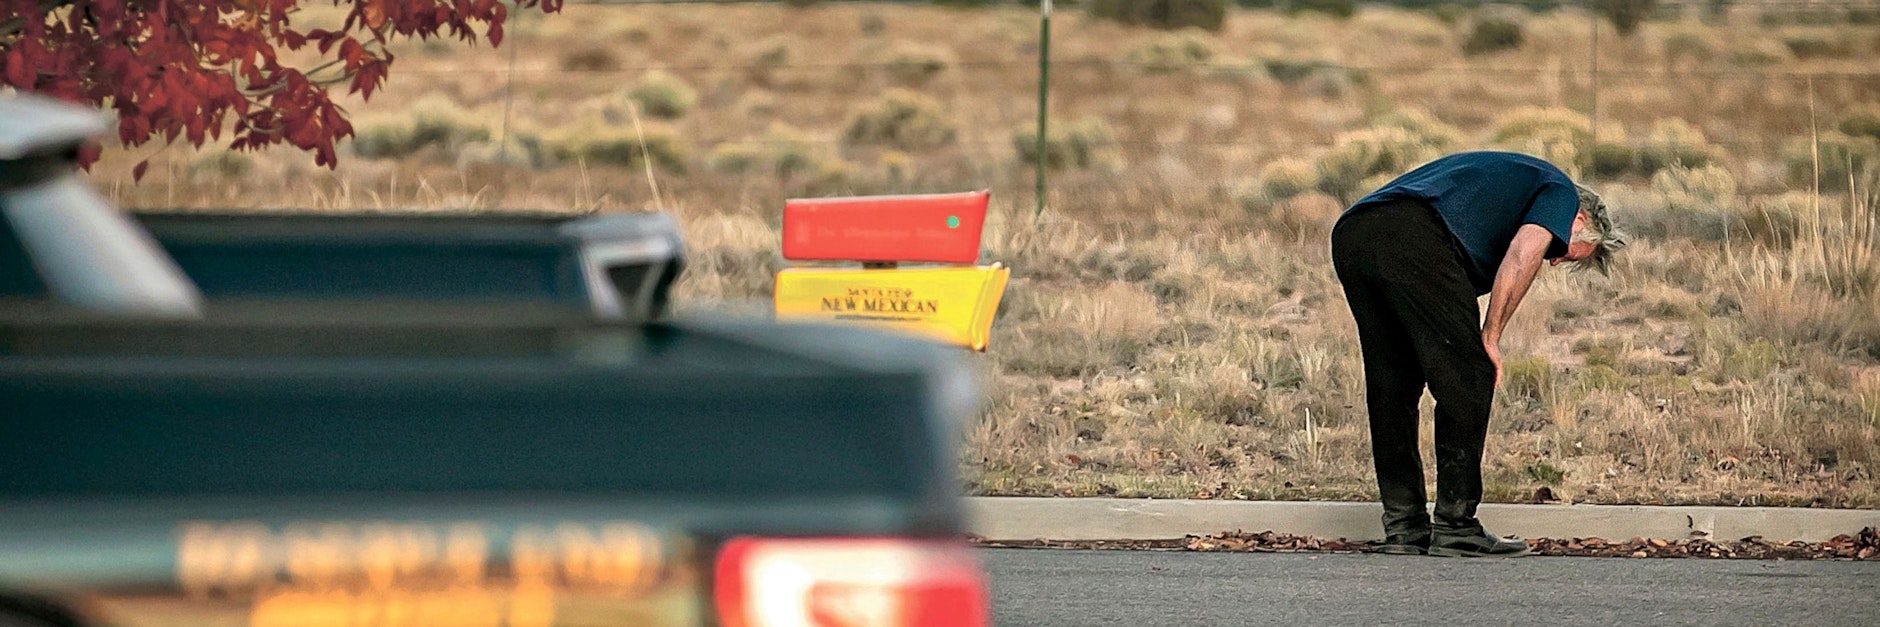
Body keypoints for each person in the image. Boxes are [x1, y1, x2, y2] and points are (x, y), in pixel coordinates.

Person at [1329, 150, 1626, 557]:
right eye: (1565, 250)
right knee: (1470, 375)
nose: (1554, 260)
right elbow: (1524, 253)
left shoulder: (1512, 187)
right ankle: (1456, 527)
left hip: (1354, 233)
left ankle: (1405, 529)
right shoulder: (1560, 192)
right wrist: (1491, 335)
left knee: (1393, 386)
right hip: (1412, 233)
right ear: (1581, 220)